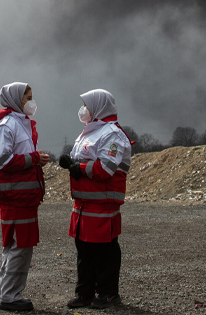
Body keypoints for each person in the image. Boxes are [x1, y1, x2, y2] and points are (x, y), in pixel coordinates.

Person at [58, 89, 132, 309]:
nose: (84, 110)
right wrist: (69, 162)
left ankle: (109, 294)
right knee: (84, 251)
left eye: (87, 105)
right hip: (83, 206)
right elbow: (80, 161)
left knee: (105, 252)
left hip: (103, 206)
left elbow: (105, 169)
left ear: (98, 107)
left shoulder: (112, 134)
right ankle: (85, 293)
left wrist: (76, 167)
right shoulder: (89, 132)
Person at [0, 82, 49, 312]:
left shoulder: (21, 124)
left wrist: (35, 158)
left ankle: (6, 292)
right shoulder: (7, 126)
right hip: (16, 198)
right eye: (27, 97)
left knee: (17, 246)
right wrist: (34, 159)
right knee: (18, 247)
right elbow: (2, 161)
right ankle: (10, 296)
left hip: (25, 198)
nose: (31, 102)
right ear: (14, 100)